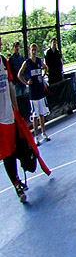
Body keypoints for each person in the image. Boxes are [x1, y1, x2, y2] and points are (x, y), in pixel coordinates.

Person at [0, 37, 27, 202]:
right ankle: (16, 184)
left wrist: (16, 107)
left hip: (9, 114)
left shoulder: (3, 61)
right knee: (7, 153)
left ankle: (17, 178)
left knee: (17, 148)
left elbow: (10, 85)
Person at [18, 43, 50, 144]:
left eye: (35, 49)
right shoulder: (26, 62)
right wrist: (26, 82)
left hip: (40, 89)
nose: (34, 51)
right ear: (30, 50)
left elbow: (46, 68)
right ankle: (36, 136)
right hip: (33, 92)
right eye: (32, 49)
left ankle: (43, 133)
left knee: (41, 114)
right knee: (35, 115)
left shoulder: (39, 61)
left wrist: (43, 76)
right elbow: (19, 74)